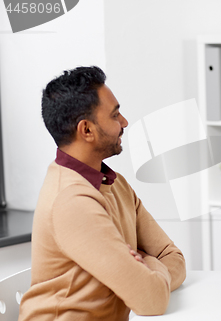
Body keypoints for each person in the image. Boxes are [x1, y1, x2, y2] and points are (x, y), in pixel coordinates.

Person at [18, 66, 186, 320]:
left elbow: (173, 258)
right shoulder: (70, 200)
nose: (125, 122)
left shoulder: (115, 185)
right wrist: (146, 269)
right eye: (115, 115)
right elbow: (151, 300)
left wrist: (146, 265)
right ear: (86, 130)